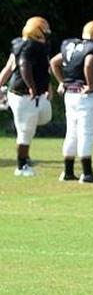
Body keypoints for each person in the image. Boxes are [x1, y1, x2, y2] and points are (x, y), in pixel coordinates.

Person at [50, 19, 93, 183]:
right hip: (86, 96)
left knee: (72, 133)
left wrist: (62, 82)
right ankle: (87, 173)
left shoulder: (71, 45)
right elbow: (89, 64)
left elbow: (54, 62)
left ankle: (68, 171)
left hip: (70, 94)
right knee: (87, 133)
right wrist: (90, 85)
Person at [0, 16, 54, 176]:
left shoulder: (34, 46)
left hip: (32, 94)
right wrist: (31, 87)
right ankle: (21, 165)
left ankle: (24, 152)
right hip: (23, 93)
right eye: (44, 30)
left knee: (40, 119)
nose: (47, 33)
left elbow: (43, 70)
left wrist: (48, 86)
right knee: (26, 130)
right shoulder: (28, 47)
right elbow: (15, 67)